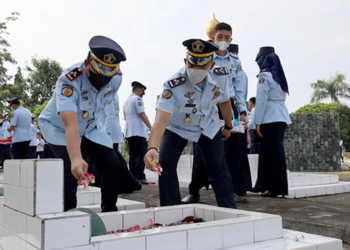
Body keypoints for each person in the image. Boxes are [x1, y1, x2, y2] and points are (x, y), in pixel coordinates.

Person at [38, 36, 141, 212]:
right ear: (88, 62)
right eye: (97, 74)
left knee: (112, 165)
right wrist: (77, 157)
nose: (102, 79)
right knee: (70, 169)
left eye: (107, 75)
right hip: (59, 128)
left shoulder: (115, 77)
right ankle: (68, 215)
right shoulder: (69, 80)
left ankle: (109, 210)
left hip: (89, 127)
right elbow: (70, 123)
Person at [144, 38, 236, 208]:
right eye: (192, 65)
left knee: (218, 169)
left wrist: (228, 125)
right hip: (179, 127)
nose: (196, 70)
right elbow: (161, 118)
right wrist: (152, 147)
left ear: (212, 65)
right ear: (186, 61)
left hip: (208, 125)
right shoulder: (173, 84)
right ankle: (171, 212)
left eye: (202, 66)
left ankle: (230, 211)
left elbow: (225, 101)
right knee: (165, 165)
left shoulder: (221, 77)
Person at [251, 46, 291, 198]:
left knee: (272, 154)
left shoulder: (265, 76)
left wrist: (257, 122)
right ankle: (265, 185)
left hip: (269, 118)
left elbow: (261, 101)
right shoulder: (278, 75)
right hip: (280, 117)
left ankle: (276, 188)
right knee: (271, 153)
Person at [123, 81, 153, 184]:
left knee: (133, 155)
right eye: (142, 92)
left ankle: (133, 176)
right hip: (138, 131)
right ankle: (140, 176)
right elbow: (142, 114)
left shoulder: (126, 101)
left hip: (129, 132)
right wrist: (151, 127)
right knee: (141, 155)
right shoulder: (137, 99)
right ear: (139, 91)